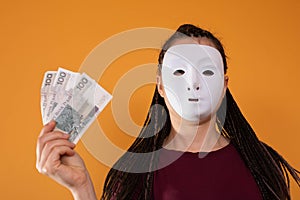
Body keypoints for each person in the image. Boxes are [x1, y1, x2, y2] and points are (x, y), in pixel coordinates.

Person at [36, 24, 300, 200]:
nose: (193, 83)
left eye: (207, 72)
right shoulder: (133, 174)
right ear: (160, 85)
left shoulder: (262, 165)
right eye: (179, 72)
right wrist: (81, 187)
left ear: (224, 85)